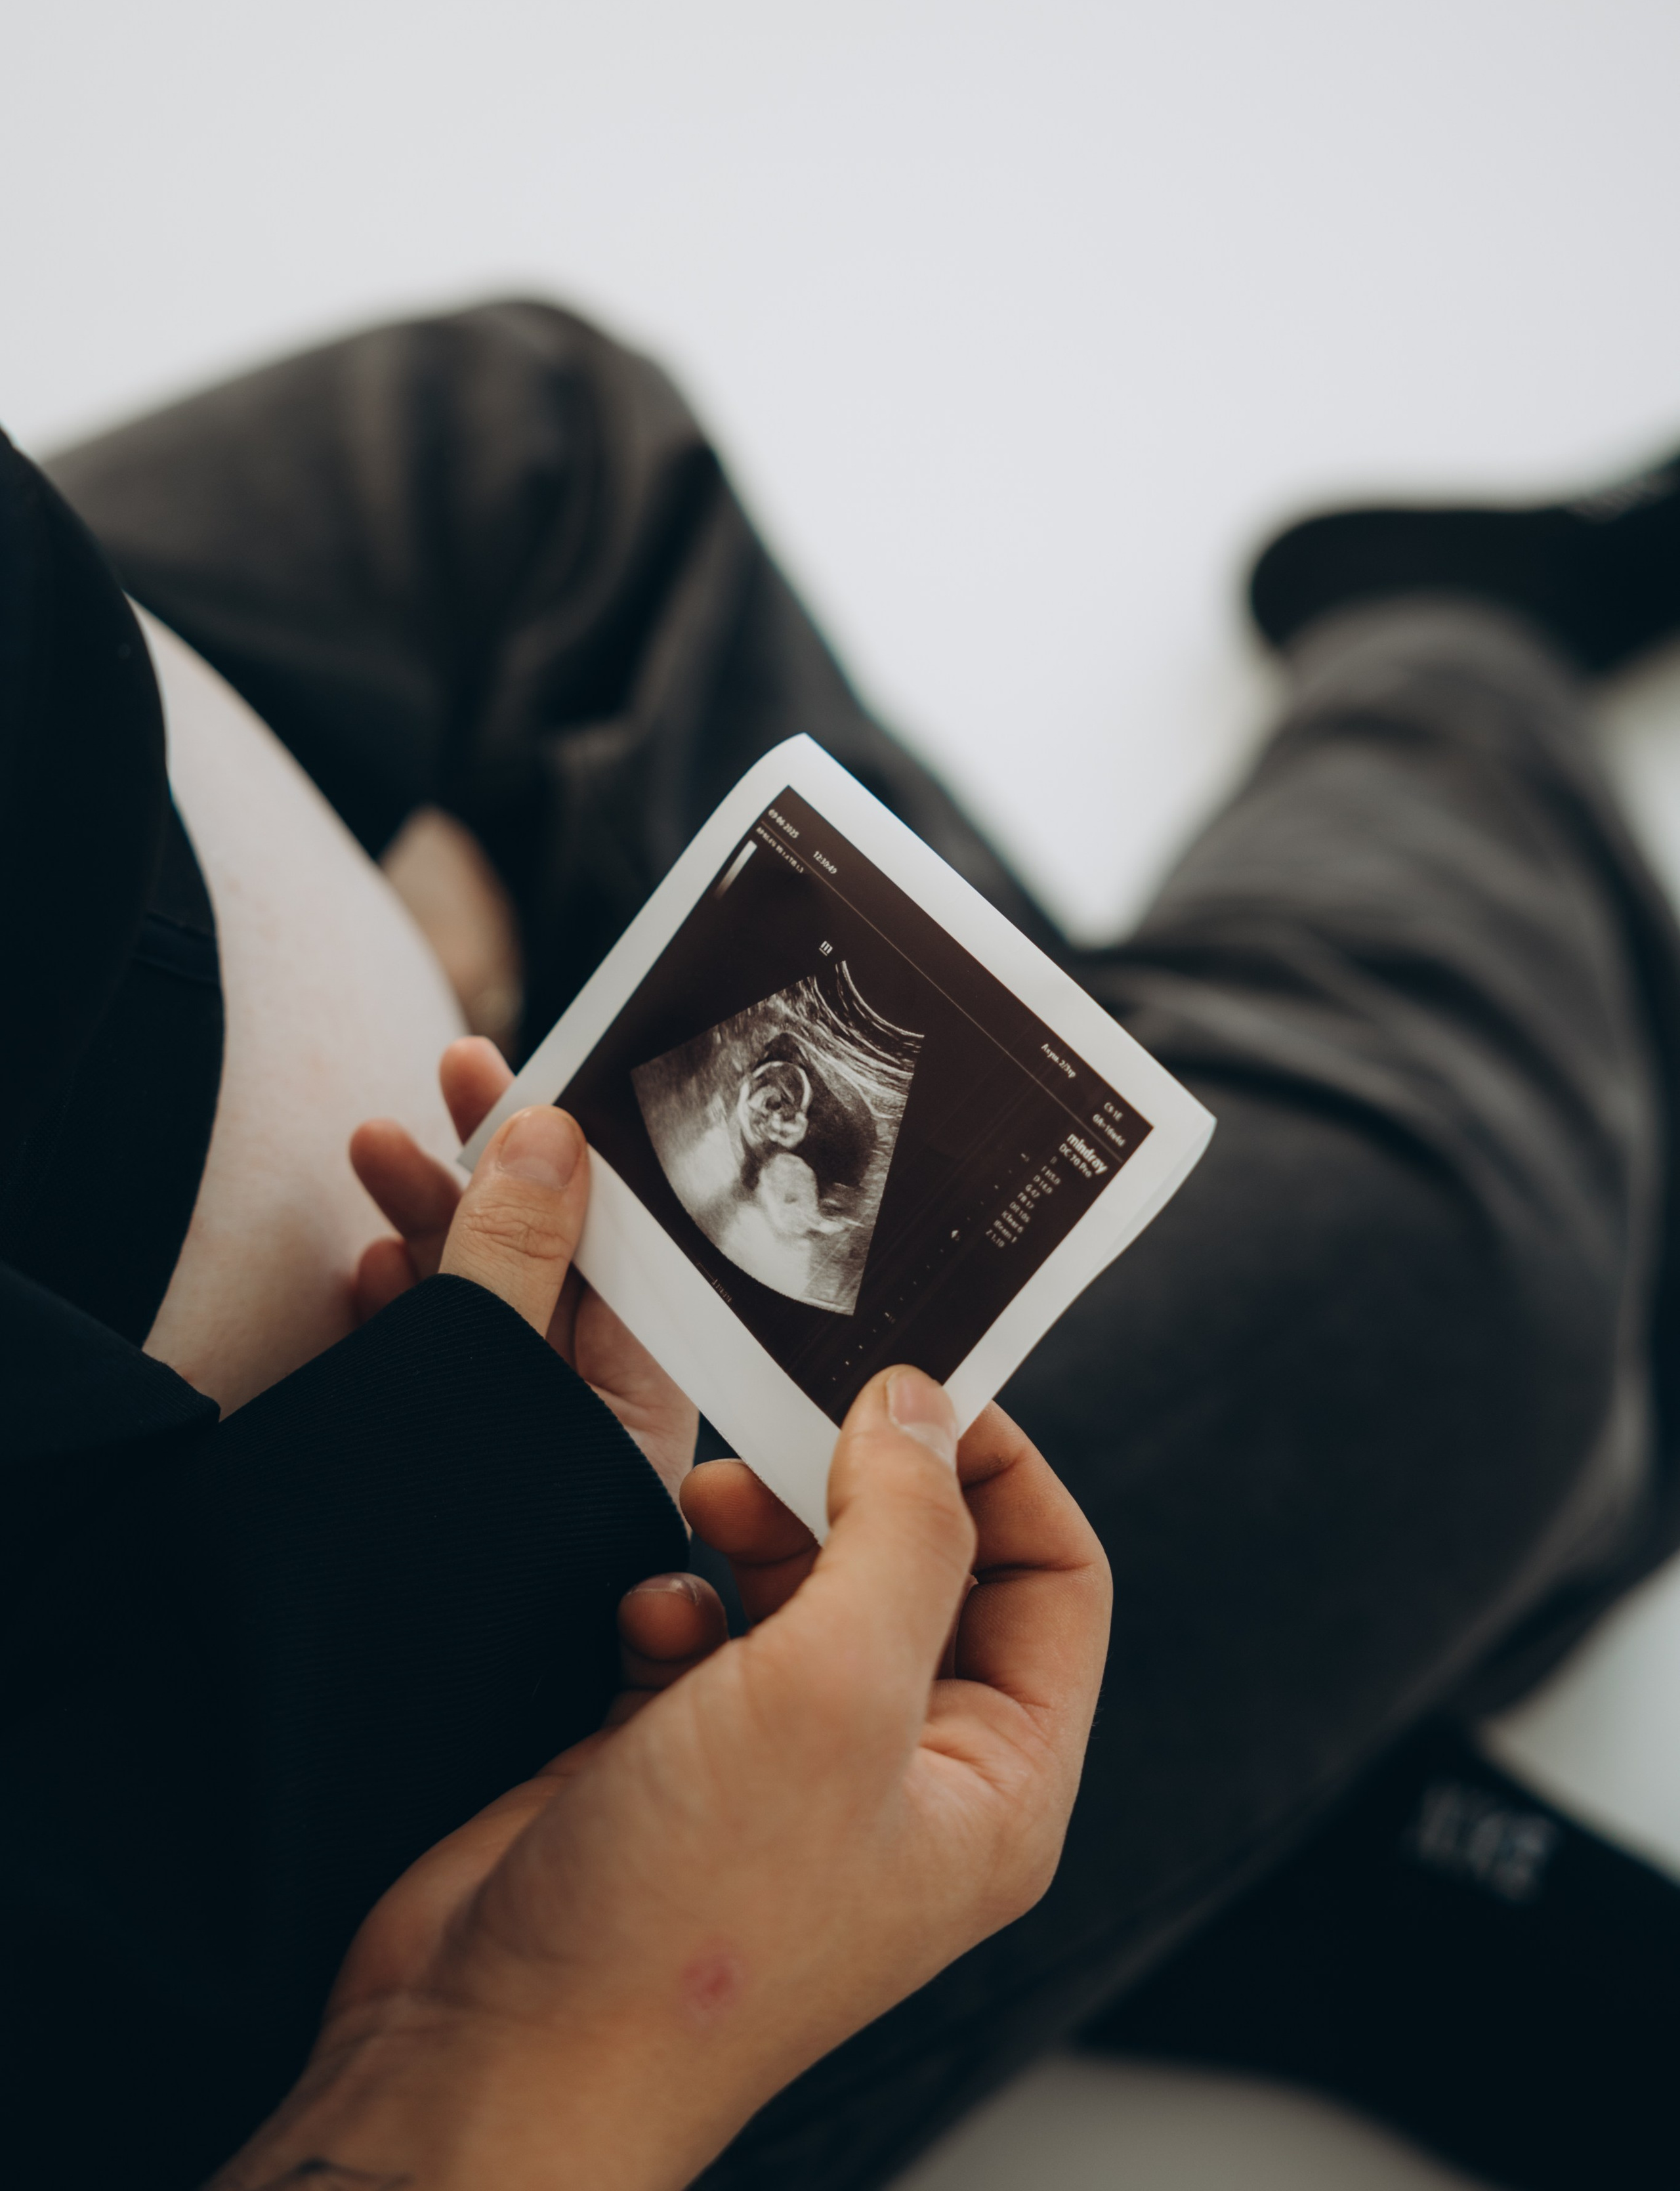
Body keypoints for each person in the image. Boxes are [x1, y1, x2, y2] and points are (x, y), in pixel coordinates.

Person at [7, 294, 1680, 2190]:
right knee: (1453, 1277)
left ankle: (1295, 1771)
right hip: (356, 1818)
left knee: (526, 434)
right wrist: (529, 2050)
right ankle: (1456, 640)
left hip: (120, 786)